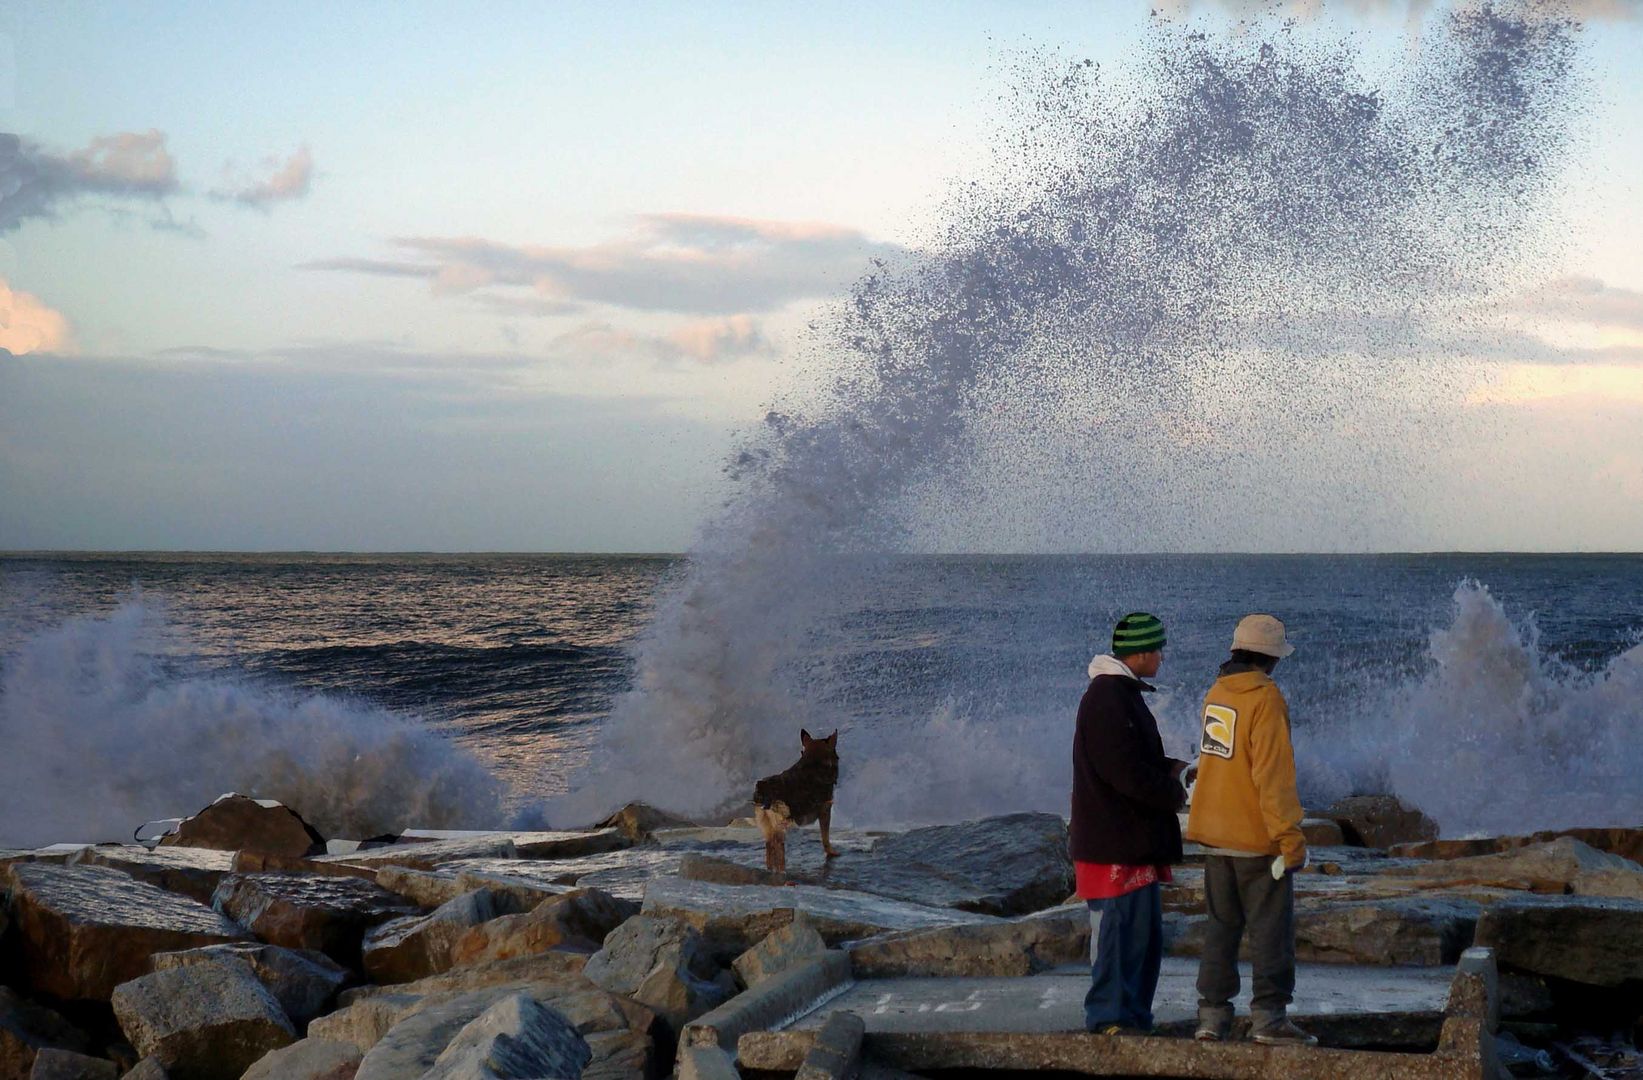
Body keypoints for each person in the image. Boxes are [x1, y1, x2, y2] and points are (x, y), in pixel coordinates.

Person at [1185, 613, 1316, 1046]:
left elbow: (1214, 762)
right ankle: (1269, 1020)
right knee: (1269, 932)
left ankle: (1211, 1019)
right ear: (1271, 658)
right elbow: (1272, 776)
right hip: (1257, 842)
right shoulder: (1266, 699)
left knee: (1220, 929)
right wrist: (1290, 836)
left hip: (1214, 835)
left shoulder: (1217, 693)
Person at [1070, 611, 1192, 1036]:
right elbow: (1123, 772)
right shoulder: (1107, 697)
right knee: (1117, 936)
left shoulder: (1121, 694)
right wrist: (1173, 792)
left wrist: (1172, 766)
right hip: (1113, 844)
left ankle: (1135, 1017)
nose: (1160, 657)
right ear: (1139, 653)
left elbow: (1130, 761)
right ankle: (1108, 1018)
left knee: (1141, 939)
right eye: (1157, 649)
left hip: (1131, 842)